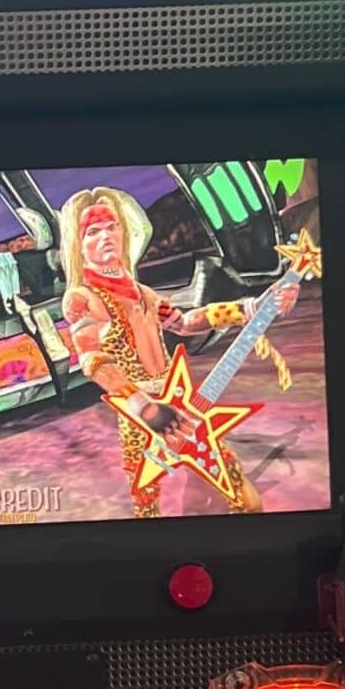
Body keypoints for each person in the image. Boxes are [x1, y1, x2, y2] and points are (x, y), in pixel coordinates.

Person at [58, 185, 295, 518]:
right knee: (146, 504)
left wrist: (250, 307)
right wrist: (144, 406)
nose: (106, 237)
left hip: (180, 400)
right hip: (140, 413)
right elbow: (94, 362)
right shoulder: (83, 299)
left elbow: (184, 322)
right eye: (93, 232)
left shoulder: (142, 292)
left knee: (237, 486)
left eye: (112, 227)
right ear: (78, 244)